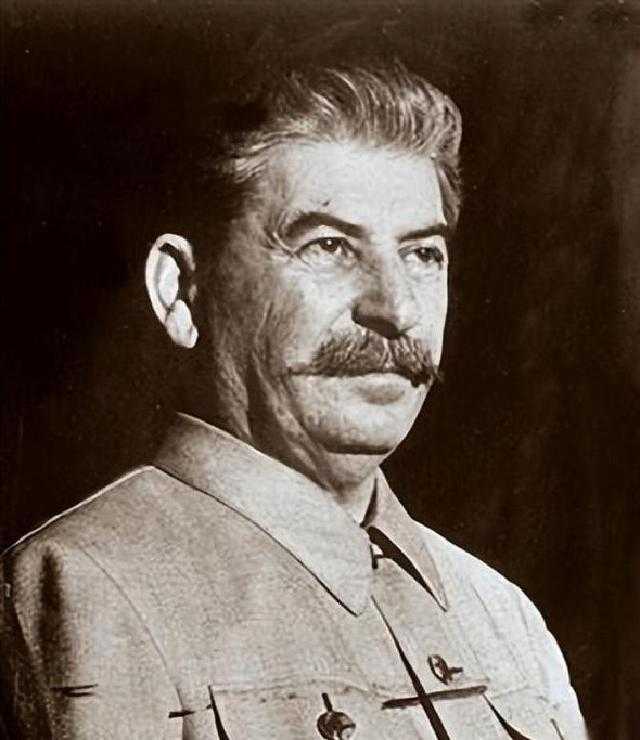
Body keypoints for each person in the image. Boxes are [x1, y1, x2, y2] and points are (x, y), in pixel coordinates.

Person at [0, 63, 587, 739]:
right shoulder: (86, 590)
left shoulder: (503, 617)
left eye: (422, 253)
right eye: (330, 246)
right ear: (182, 293)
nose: (396, 309)